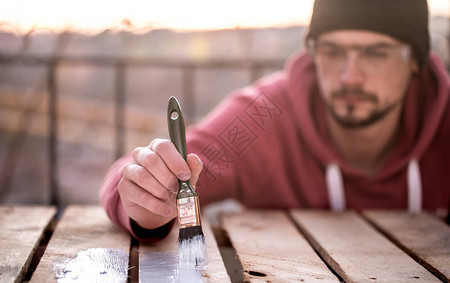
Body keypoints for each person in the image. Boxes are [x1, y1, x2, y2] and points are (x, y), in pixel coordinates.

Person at [100, 0, 450, 241]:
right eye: (332, 51)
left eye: (376, 53)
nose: (349, 76)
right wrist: (147, 204)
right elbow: (126, 180)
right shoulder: (261, 118)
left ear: (416, 61)